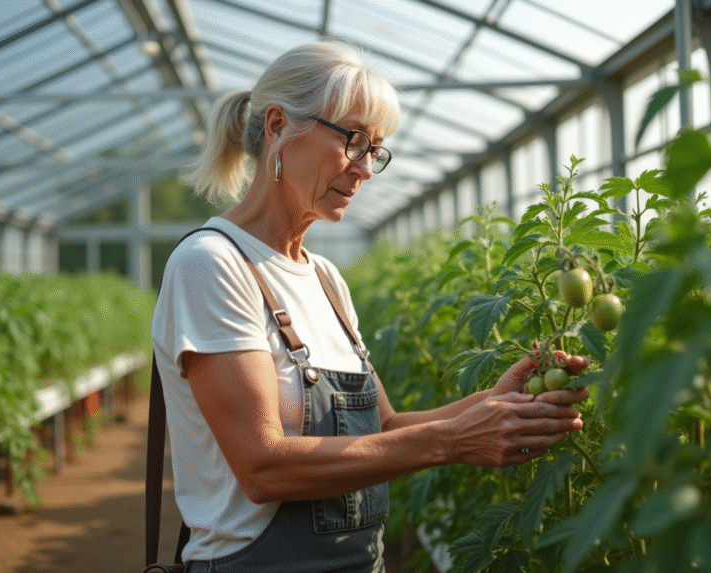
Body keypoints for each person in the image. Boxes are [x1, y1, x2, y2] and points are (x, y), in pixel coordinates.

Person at [151, 40, 589, 573]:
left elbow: (382, 429)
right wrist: (451, 440)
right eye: (353, 142)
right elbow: (261, 467)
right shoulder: (212, 264)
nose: (365, 170)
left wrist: (492, 405)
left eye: (375, 150)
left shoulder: (326, 281)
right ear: (276, 127)